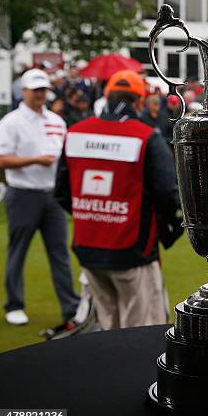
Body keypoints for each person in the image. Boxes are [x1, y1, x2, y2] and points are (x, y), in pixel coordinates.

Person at [54, 70, 183, 330]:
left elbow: (61, 193)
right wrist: (169, 228)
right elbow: (168, 193)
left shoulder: (76, 133)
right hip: (132, 250)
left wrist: (93, 213)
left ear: (106, 96)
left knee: (108, 332)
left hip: (89, 248)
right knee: (141, 335)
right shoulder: (146, 136)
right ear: (139, 102)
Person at [0, 68, 80, 325]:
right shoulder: (11, 122)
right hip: (23, 193)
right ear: (23, 91)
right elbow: (0, 159)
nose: (39, 94)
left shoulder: (56, 121)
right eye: (35, 90)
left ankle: (71, 308)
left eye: (43, 89)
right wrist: (34, 159)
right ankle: (14, 304)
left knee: (60, 254)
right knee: (18, 250)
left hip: (52, 196)